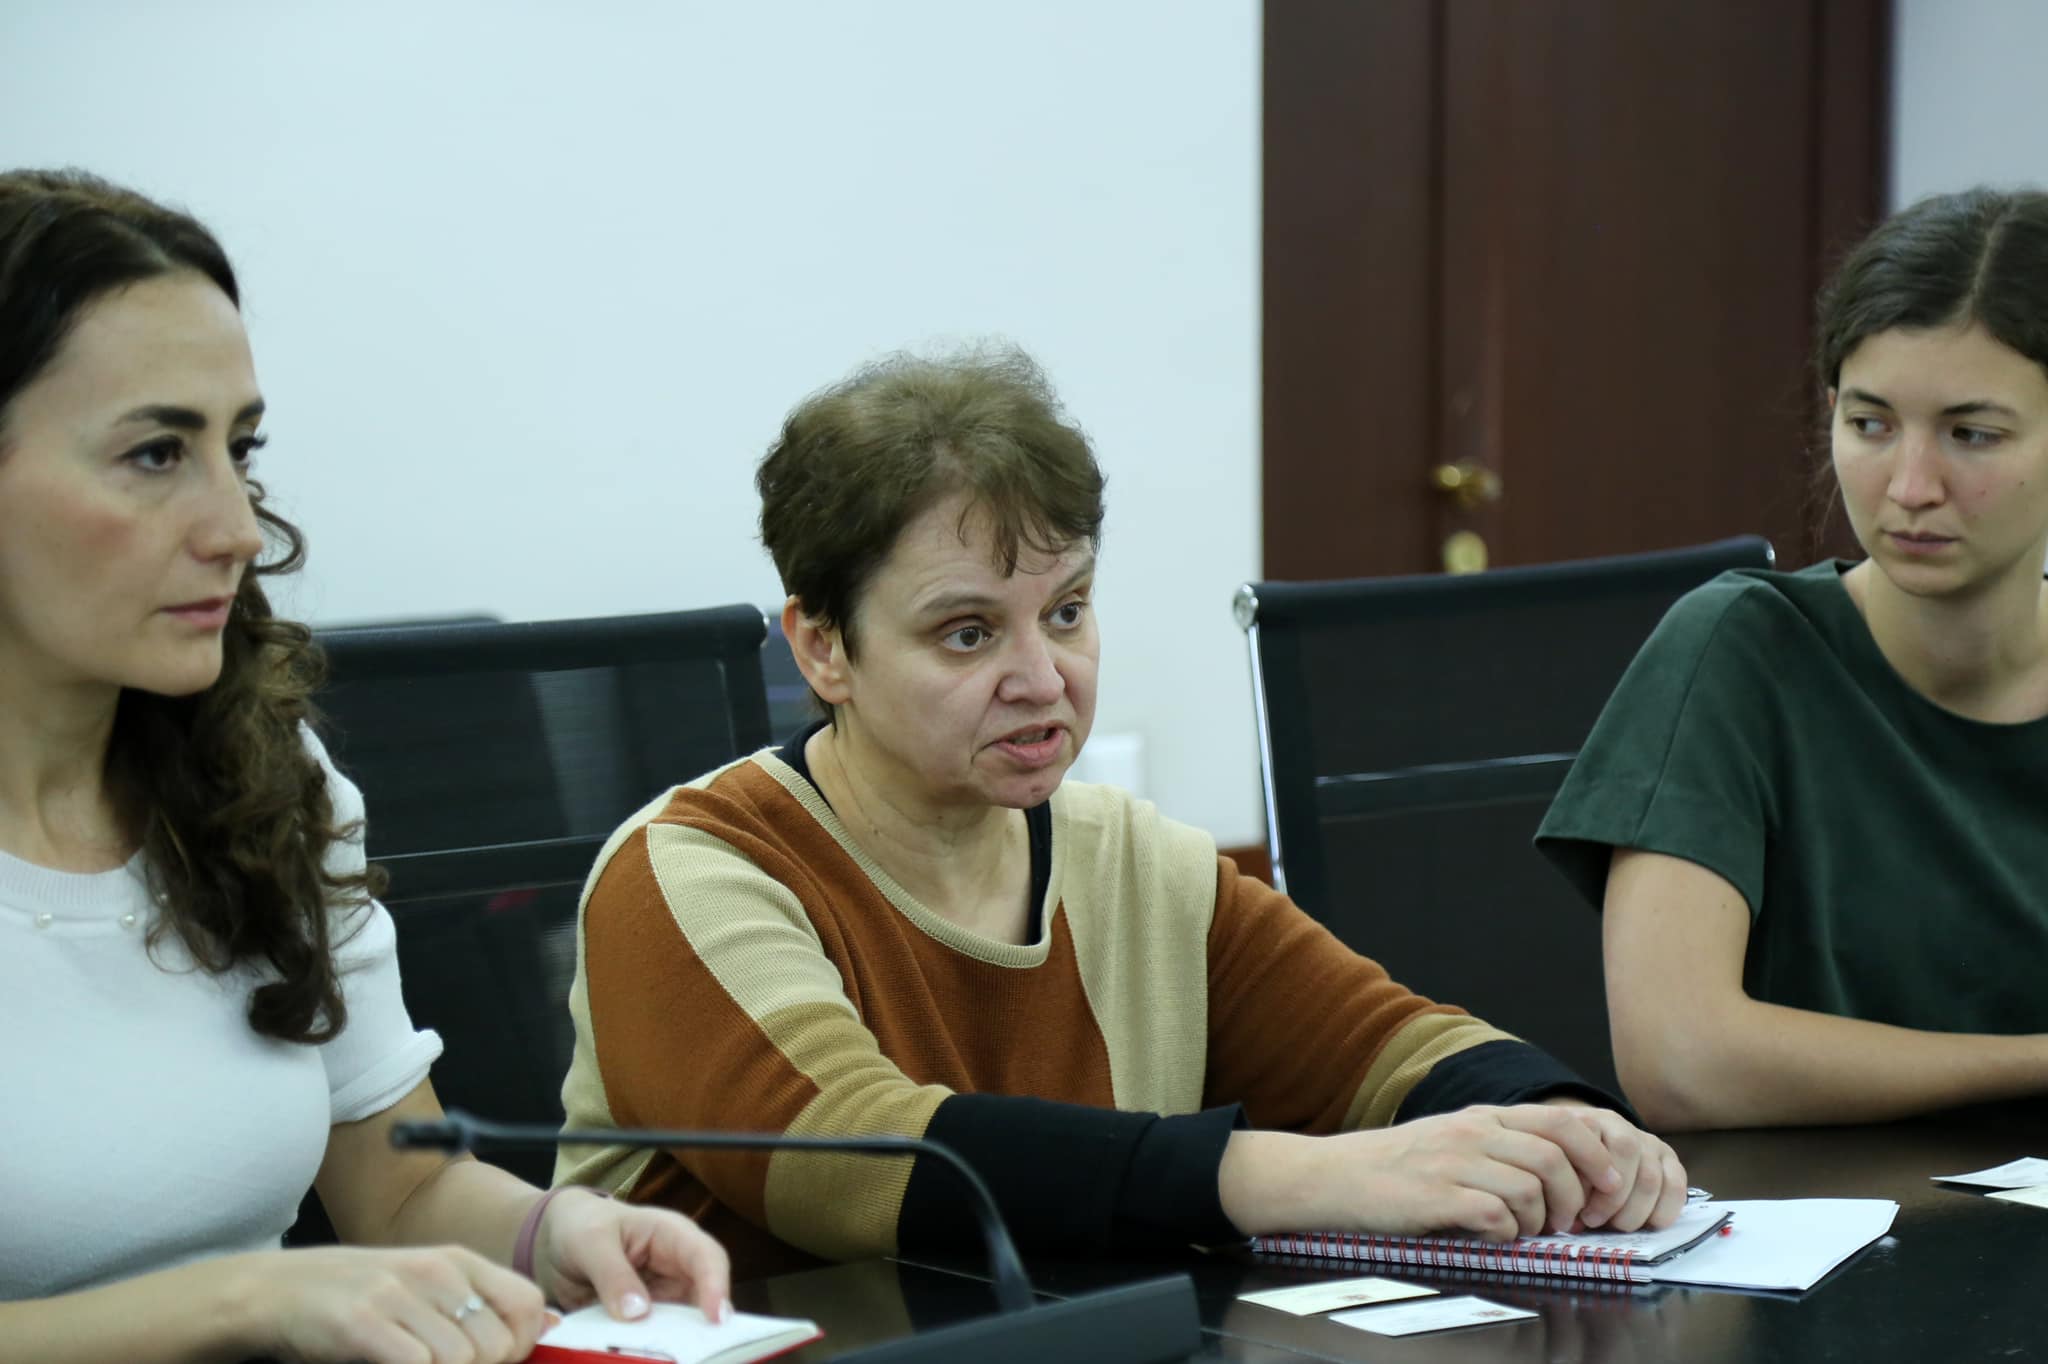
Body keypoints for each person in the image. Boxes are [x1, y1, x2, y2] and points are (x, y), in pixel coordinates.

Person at [553, 346, 1687, 1279]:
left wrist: (1557, 1123)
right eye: (966, 633)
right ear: (821, 649)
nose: (1042, 677)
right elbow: (853, 1156)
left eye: (1066, 610)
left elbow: (1389, 1045)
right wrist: (1302, 1174)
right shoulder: (690, 870)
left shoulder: (1128, 859)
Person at [0, 170, 728, 1362]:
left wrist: (555, 1230)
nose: (236, 525)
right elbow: (279, 1287)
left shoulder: (261, 778)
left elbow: (399, 1188)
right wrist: (246, 1298)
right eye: (155, 452)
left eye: (238, 447)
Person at [1537, 188, 2048, 1131]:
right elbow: (1678, 1060)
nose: (1909, 486)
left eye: (1971, 434)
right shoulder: (1739, 650)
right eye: (1871, 424)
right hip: (1816, 1212)